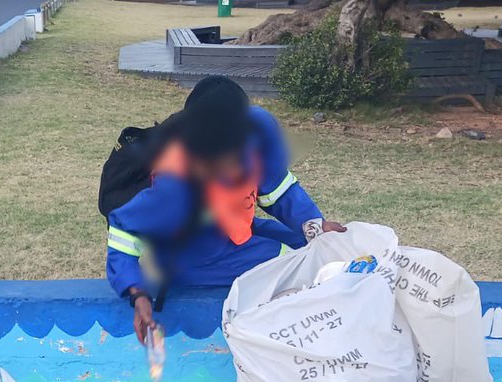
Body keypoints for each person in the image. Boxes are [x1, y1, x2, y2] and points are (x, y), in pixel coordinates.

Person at [103, 75, 346, 343]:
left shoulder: (260, 129)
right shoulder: (175, 183)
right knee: (295, 264)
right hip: (195, 255)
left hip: (235, 227)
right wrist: (137, 293)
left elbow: (277, 188)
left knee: (315, 247)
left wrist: (314, 226)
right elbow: (124, 229)